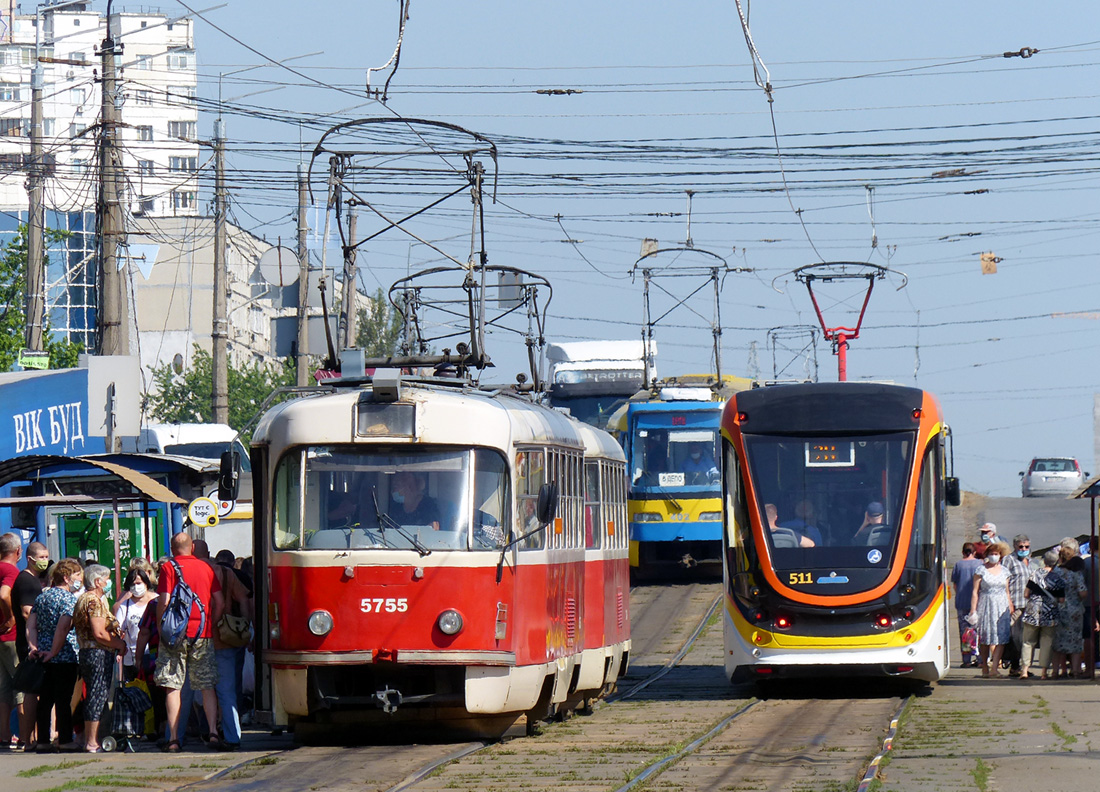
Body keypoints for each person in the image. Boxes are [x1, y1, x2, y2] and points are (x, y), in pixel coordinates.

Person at [155, 532, 224, 752]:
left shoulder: (169, 568)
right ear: (192, 547)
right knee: (207, 685)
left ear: (172, 548)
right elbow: (219, 601)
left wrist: (161, 627)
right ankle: (212, 732)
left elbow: (164, 601)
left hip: (175, 635)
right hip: (202, 633)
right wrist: (210, 622)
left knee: (173, 685)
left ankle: (174, 738)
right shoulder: (207, 568)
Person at [196, 541, 250, 751]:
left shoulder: (189, 572)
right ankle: (232, 735)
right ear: (209, 553)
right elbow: (243, 599)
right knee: (227, 691)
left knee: (197, 690)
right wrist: (245, 625)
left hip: (197, 637)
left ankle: (183, 734)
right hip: (224, 638)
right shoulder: (226, 573)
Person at [28, 559, 82, 752]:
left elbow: (31, 624)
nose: (79, 580)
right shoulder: (68, 599)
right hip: (63, 654)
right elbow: (63, 626)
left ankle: (43, 740)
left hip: (42, 654)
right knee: (63, 700)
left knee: (45, 699)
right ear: (67, 578)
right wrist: (55, 651)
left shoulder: (42, 597)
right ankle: (65, 739)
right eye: (77, 576)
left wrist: (33, 647)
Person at [71, 564, 126, 753]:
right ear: (97, 581)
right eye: (106, 579)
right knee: (97, 694)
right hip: (97, 653)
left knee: (94, 694)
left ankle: (91, 738)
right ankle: (91, 742)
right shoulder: (93, 601)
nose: (108, 582)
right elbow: (99, 632)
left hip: (87, 652)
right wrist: (119, 644)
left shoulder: (83, 599)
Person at [13, 541, 49, 748]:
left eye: (46, 557)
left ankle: (32, 737)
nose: (45, 561)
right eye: (41, 557)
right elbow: (27, 612)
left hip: (33, 641)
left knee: (35, 691)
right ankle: (28, 738)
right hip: (30, 643)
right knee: (31, 690)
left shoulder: (34, 580)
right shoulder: (26, 581)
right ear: (30, 558)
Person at [968, 541, 1014, 678]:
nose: (994, 556)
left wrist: (1010, 605)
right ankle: (984, 666)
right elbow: (975, 591)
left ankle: (994, 667)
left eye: (997, 554)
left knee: (1000, 637)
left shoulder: (1005, 571)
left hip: (1001, 605)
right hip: (986, 604)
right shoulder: (981, 570)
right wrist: (973, 610)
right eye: (992, 553)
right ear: (987, 555)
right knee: (985, 638)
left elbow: (1007, 591)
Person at [1050, 539, 1089, 679]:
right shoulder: (1076, 574)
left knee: (1058, 642)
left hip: (1057, 609)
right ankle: (1076, 670)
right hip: (1074, 611)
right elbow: (1083, 592)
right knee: (1075, 641)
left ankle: (1057, 670)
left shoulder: (1054, 573)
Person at [1020, 550, 1060, 679]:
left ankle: (1025, 670)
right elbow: (1061, 599)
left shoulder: (1034, 574)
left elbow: (1026, 594)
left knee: (1028, 641)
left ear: (1044, 561)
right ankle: (1043, 672)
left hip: (1033, 612)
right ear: (1056, 563)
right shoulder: (1057, 578)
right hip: (1050, 613)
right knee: (1047, 642)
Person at [0, 533, 23, 747]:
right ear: (18, 551)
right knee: (21, 686)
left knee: (3, 688)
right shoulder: (11, 571)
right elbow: (4, 594)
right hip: (10, 636)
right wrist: (10, 616)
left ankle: (5, 734)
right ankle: (26, 734)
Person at [115, 568, 157, 682]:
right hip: (131, 657)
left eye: (139, 583)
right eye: (133, 584)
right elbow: (117, 628)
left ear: (146, 583)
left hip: (152, 655)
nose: (136, 587)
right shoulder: (125, 605)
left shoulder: (156, 602)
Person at [1001, 534, 1032, 676]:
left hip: (1030, 604)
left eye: (1026, 546)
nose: (1024, 549)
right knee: (1015, 636)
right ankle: (1013, 664)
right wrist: (1009, 602)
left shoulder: (1030, 561)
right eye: (1021, 546)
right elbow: (1004, 581)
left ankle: (1024, 667)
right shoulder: (1009, 560)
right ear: (1015, 546)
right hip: (1016, 602)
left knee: (1027, 638)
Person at [950, 542, 984, 667]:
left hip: (962, 601)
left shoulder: (958, 564)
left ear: (963, 552)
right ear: (974, 552)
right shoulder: (980, 564)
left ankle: (966, 660)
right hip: (978, 602)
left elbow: (955, 584)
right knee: (978, 631)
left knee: (964, 632)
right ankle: (980, 659)